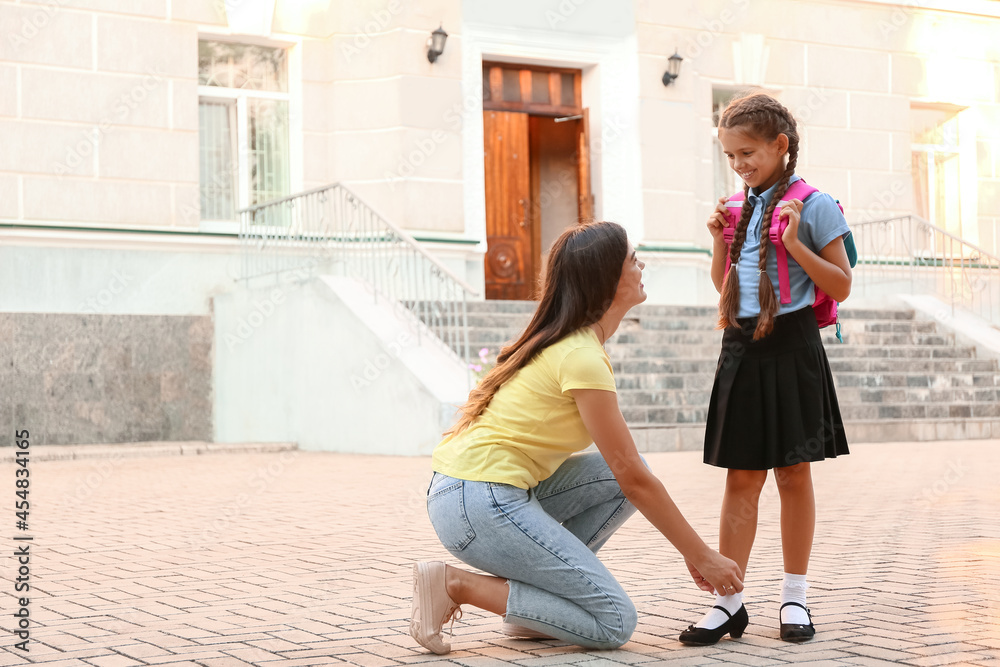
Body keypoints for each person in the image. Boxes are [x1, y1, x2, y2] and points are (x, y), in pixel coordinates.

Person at [409, 221, 744, 654]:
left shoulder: (572, 343)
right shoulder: (581, 356)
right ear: (606, 278)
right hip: (479, 503)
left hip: (470, 495)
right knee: (612, 622)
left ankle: (540, 612)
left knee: (611, 477)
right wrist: (701, 555)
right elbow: (636, 480)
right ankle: (456, 584)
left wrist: (694, 552)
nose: (641, 266)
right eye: (632, 259)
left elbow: (624, 477)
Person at [679, 92, 852, 646]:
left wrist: (795, 244)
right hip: (741, 344)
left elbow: (842, 285)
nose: (739, 165)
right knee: (742, 476)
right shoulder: (736, 206)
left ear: (781, 146)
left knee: (794, 473)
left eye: (748, 153)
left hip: (793, 342)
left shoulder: (815, 203)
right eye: (730, 156)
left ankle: (794, 597)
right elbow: (726, 288)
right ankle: (729, 602)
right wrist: (716, 243)